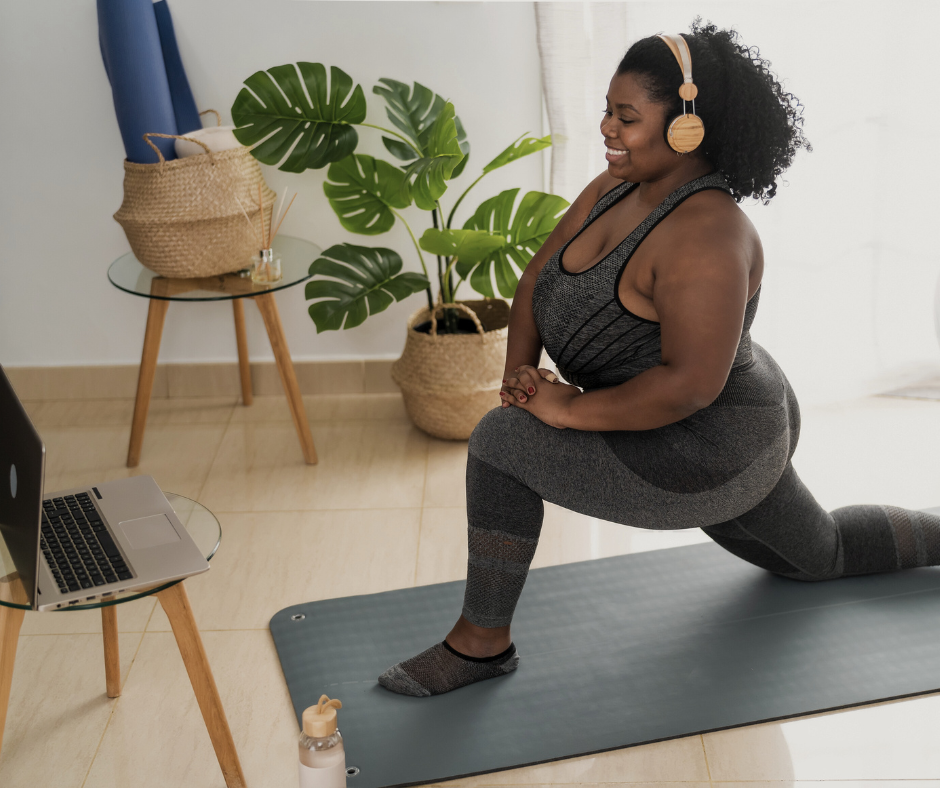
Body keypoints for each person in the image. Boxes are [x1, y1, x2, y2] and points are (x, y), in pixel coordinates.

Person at [377, 20, 940, 698]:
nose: (607, 130)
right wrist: (520, 376)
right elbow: (535, 277)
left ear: (686, 128)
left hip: (712, 444)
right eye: (607, 112)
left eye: (626, 116)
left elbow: (688, 387)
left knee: (502, 443)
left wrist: (568, 407)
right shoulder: (614, 188)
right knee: (819, 555)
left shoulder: (707, 234)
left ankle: (480, 647)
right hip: (673, 422)